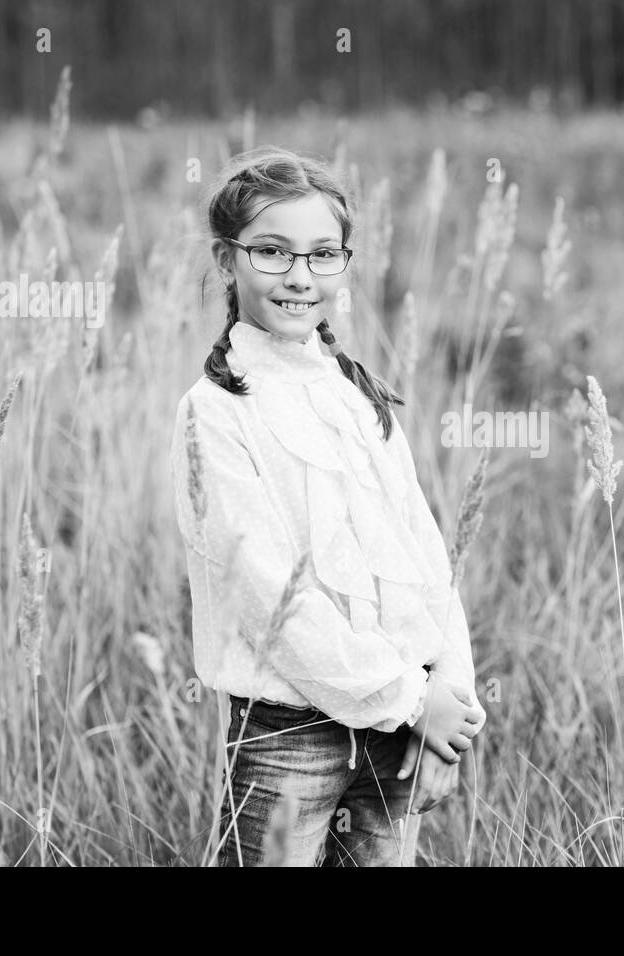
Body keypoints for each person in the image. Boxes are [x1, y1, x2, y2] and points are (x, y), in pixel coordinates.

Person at [169, 146, 485, 866]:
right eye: (272, 253)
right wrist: (411, 701)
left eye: (322, 255)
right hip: (287, 740)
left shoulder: (355, 394)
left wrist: (450, 707)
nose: (299, 277)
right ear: (226, 260)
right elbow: (267, 592)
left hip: (399, 741)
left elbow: (430, 561)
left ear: (345, 263)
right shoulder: (215, 413)